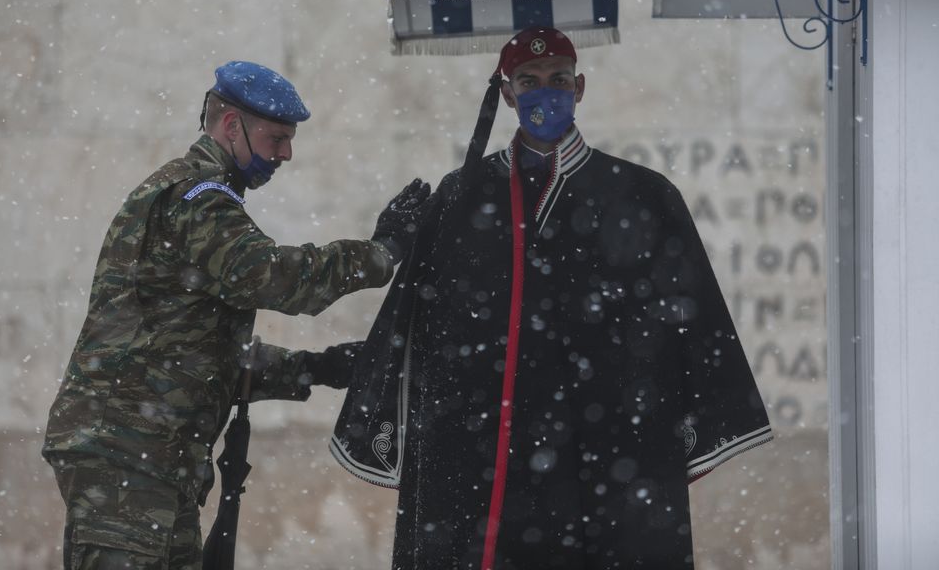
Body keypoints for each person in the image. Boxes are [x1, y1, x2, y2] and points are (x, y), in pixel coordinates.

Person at [331, 28, 773, 569]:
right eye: (529, 81)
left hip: (609, 449)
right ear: (508, 93)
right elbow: (418, 330)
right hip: (485, 452)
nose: (546, 92)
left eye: (558, 79)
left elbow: (692, 324)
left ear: (580, 86)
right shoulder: (462, 194)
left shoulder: (641, 194)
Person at [42, 60, 432, 569]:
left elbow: (197, 352)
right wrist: (380, 252)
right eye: (276, 139)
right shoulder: (195, 198)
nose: (286, 154)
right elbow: (273, 276)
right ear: (232, 127)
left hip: (149, 457)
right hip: (129, 455)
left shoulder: (199, 197)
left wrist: (316, 367)